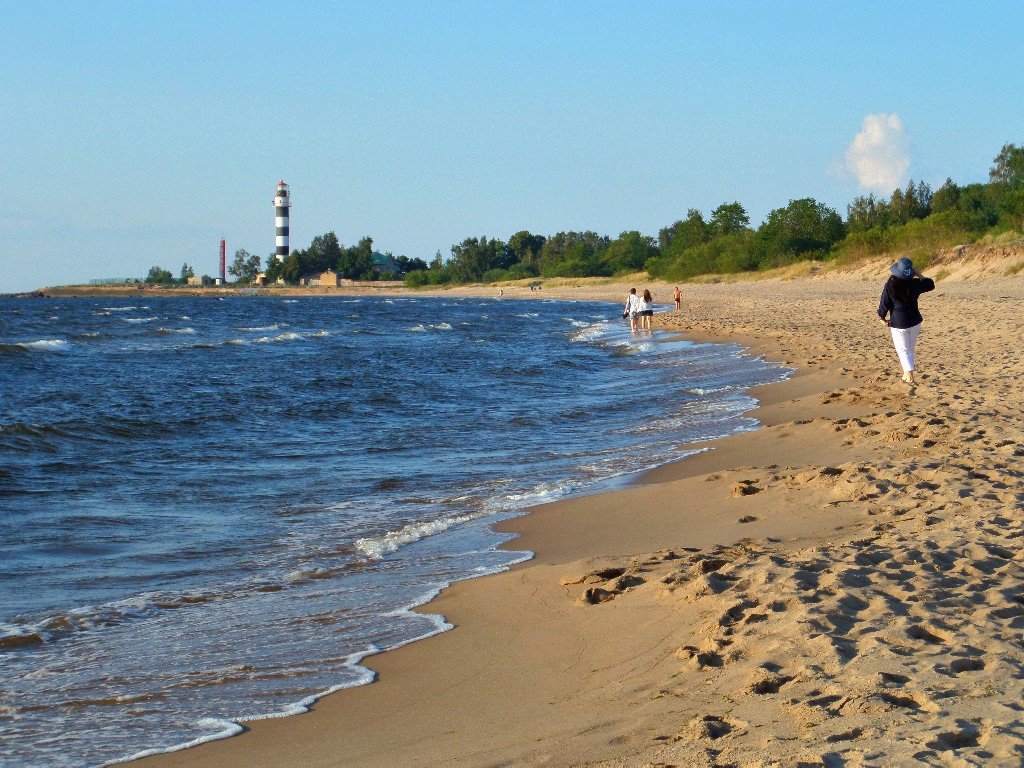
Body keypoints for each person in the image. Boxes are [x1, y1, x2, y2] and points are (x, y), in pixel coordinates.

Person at [877, 257, 935, 385]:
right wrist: (919, 274)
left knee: (903, 349)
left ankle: (909, 375)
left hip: (899, 322)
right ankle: (905, 373)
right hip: (914, 320)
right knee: (909, 348)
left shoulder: (890, 284)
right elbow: (930, 284)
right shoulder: (915, 284)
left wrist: (881, 317)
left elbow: (884, 303)